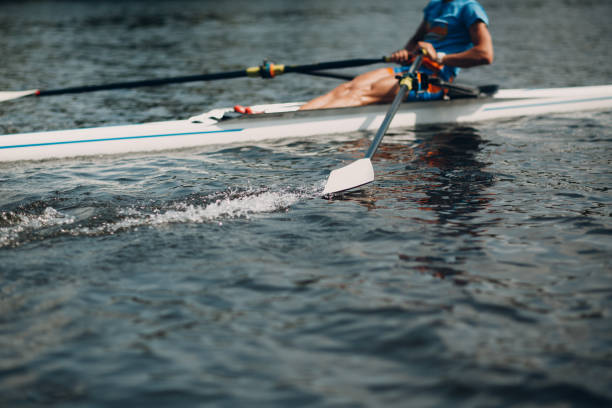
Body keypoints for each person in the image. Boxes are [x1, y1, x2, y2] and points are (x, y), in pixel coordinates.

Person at [299, 0, 493, 110]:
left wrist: (438, 57)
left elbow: (485, 54)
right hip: (410, 67)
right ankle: (299, 114)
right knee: (348, 87)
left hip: (433, 78)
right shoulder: (434, 6)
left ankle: (301, 124)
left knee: (362, 92)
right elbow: (416, 40)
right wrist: (406, 52)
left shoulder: (470, 9)